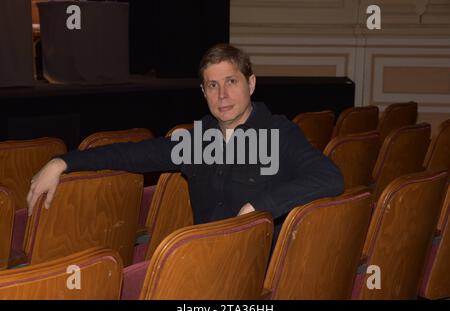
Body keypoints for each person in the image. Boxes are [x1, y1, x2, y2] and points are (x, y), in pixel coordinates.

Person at [27, 43, 344, 241]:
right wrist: (63, 161)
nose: (222, 95)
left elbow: (330, 177)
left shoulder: (279, 135)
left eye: (231, 82)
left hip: (256, 271)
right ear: (203, 93)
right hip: (205, 260)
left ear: (251, 83)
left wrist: (259, 207)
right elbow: (133, 154)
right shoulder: (197, 143)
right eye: (212, 85)